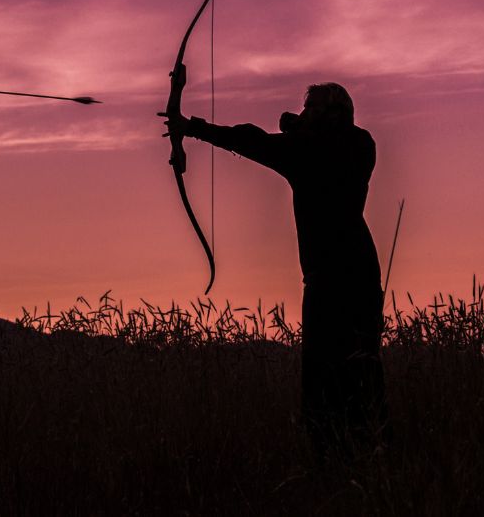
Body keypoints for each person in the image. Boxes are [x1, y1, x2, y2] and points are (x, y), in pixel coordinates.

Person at [161, 72, 387, 459]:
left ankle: (347, 456)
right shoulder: (343, 145)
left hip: (336, 281)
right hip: (353, 277)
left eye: (310, 108)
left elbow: (263, 141)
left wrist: (194, 128)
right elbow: (258, 140)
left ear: (332, 114)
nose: (302, 112)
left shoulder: (330, 148)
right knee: (345, 373)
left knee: (339, 375)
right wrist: (195, 128)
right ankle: (354, 456)